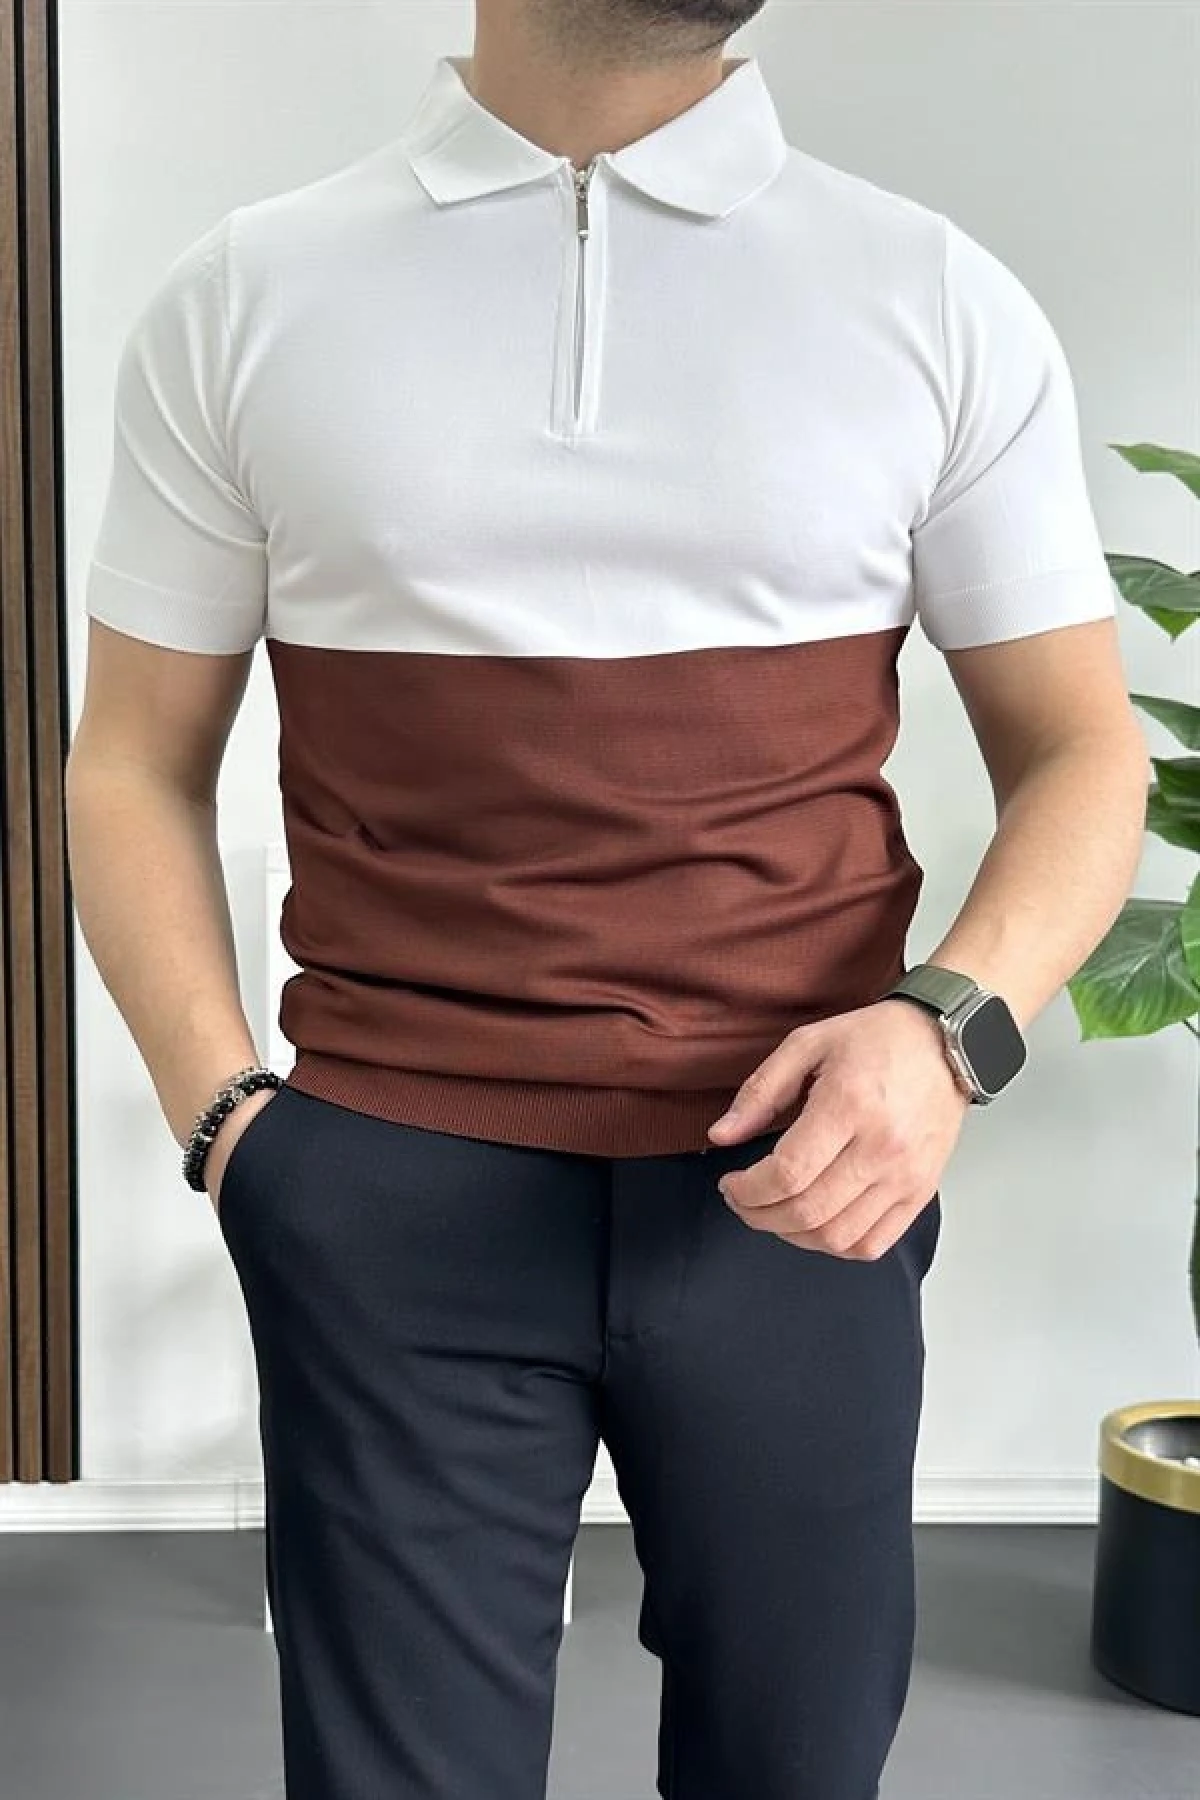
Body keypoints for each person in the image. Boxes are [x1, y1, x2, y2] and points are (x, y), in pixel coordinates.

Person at [65, 0, 1148, 1794]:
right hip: (386, 1188)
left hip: (802, 1184)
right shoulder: (245, 297)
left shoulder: (933, 297)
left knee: (798, 1767)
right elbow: (130, 763)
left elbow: (1083, 751)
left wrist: (945, 1035)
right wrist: (227, 1123)